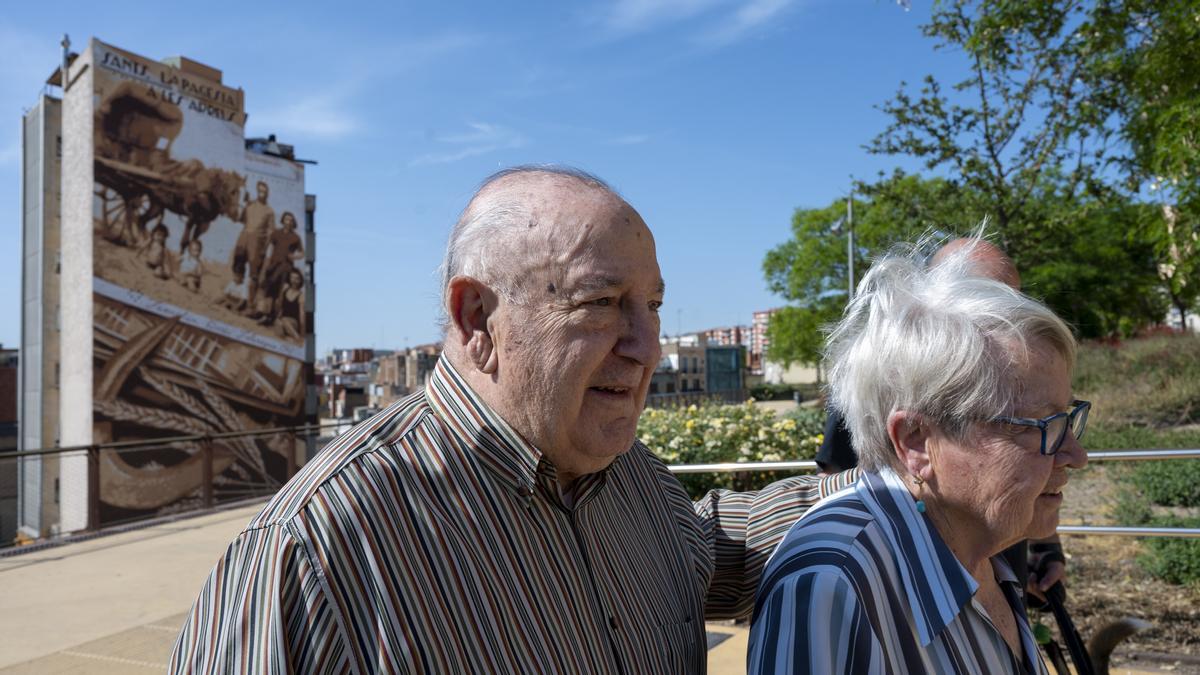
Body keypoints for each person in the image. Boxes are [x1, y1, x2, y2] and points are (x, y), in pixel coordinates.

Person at [170, 166, 856, 673]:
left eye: (651, 305)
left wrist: (898, 486)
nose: (646, 347)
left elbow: (710, 552)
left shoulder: (629, 476)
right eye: (603, 302)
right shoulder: (316, 551)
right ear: (478, 318)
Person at [748, 239, 1089, 674]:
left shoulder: (981, 541)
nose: (1077, 456)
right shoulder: (834, 588)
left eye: (1069, 418)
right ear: (915, 440)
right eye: (1044, 426)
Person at [814, 238, 1068, 602]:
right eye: (992, 297)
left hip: (1001, 580)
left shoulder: (1021, 369)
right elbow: (836, 482)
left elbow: (1035, 466)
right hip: (920, 597)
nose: (1010, 315)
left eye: (1015, 299)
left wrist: (1046, 548)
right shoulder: (874, 378)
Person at [230, 180, 275, 316]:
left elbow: (270, 232)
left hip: (257, 243)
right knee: (237, 267)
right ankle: (235, 299)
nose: (261, 194)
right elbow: (239, 219)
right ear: (257, 191)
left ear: (267, 194)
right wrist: (242, 204)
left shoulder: (269, 211)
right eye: (259, 191)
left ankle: (250, 305)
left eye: (264, 192)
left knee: (253, 274)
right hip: (244, 237)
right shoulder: (249, 205)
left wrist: (264, 249)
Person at [256, 210, 305, 326]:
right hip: (273, 264)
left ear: (293, 223)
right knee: (268, 289)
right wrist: (267, 262)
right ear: (283, 220)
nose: (289, 222)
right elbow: (268, 246)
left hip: (286, 267)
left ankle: (272, 317)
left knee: (279, 292)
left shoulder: (296, 237)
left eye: (291, 220)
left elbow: (303, 253)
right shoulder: (276, 233)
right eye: (287, 219)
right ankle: (265, 314)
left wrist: (294, 256)